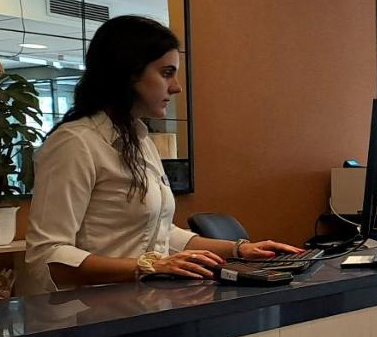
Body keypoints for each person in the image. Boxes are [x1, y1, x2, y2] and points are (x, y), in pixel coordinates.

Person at [26, 15, 300, 293]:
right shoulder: (74, 143)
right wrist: (147, 266)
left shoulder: (140, 139)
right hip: (89, 311)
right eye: (167, 73)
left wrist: (240, 250)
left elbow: (163, 234)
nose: (176, 87)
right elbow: (48, 256)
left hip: (144, 304)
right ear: (129, 72)